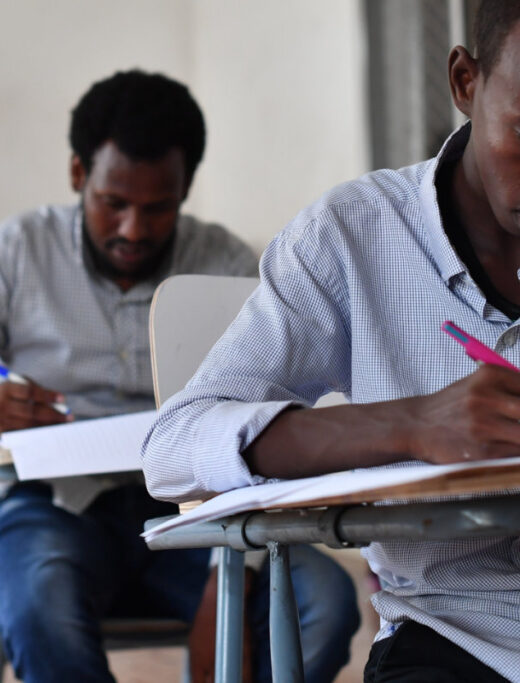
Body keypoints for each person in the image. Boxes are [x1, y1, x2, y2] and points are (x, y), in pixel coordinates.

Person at [0, 70, 359, 683]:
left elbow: (266, 421)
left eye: (158, 207)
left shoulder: (226, 265)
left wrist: (229, 576)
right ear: (78, 175)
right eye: (114, 204)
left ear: (186, 188)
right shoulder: (14, 255)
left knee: (325, 605)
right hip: (57, 508)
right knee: (39, 607)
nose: (134, 230)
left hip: (202, 509)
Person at [142, 2, 520, 681]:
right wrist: (410, 422)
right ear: (466, 81)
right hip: (458, 633)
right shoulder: (352, 237)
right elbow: (174, 448)